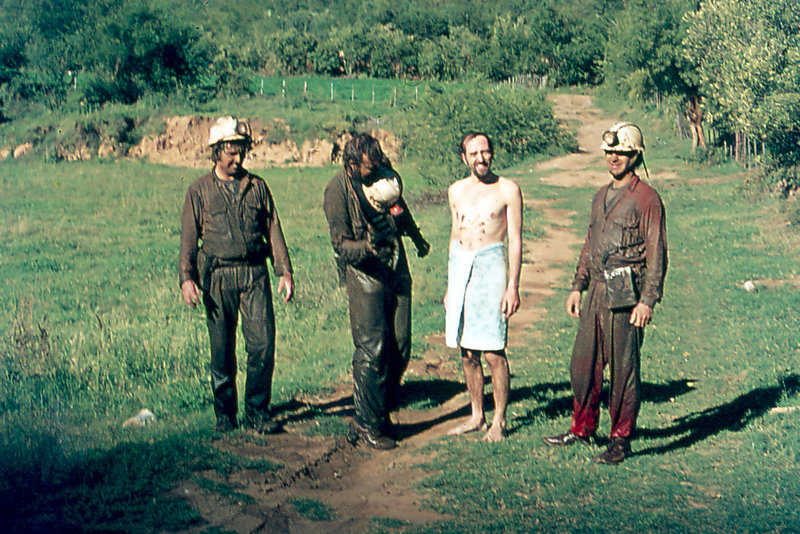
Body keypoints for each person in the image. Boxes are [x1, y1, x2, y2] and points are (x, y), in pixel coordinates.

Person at [543, 122, 668, 464]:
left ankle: (620, 439)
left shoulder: (647, 199)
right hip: (596, 289)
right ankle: (582, 428)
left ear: (635, 156)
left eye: (622, 152)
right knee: (582, 365)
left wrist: (647, 300)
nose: (614, 157)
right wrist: (576, 286)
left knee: (624, 369)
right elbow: (590, 243)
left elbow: (657, 253)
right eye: (610, 152)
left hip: (627, 292)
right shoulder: (600, 196)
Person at [179, 116, 294, 434]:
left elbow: (273, 229)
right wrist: (187, 278)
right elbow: (189, 237)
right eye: (231, 151)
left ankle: (258, 411)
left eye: (242, 150)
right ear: (216, 151)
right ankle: (225, 417)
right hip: (217, 278)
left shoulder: (257, 187)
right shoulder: (199, 190)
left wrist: (284, 271)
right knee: (221, 350)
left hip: (255, 275)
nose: (238, 157)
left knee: (263, 345)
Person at [323, 133, 430, 450]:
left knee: (401, 342)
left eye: (380, 162)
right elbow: (340, 245)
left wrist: (415, 237)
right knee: (373, 349)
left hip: (395, 264)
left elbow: (400, 207)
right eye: (371, 166)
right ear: (352, 164)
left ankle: (382, 410)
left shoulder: (383, 174)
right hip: (365, 274)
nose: (378, 168)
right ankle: (368, 424)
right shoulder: (337, 190)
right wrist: (366, 247)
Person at [444, 132, 523, 442]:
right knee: (467, 352)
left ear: (492, 154)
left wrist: (512, 285)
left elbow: (515, 239)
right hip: (461, 266)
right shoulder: (455, 191)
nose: (481, 158)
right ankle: (477, 415)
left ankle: (499, 421)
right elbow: (454, 236)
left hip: (491, 267)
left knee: (493, 352)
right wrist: (452, 286)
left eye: (485, 152)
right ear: (464, 158)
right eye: (474, 153)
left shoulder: (508, 189)